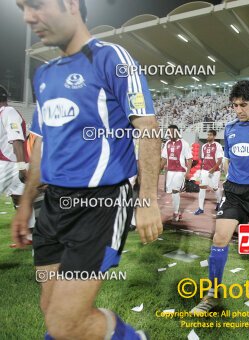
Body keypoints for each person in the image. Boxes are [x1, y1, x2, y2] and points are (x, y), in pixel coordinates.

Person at [11, 1, 162, 339]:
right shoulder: (45, 74)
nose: (27, 16)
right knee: (51, 312)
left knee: (64, 322)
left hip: (102, 203)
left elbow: (149, 127)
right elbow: (43, 146)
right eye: (21, 7)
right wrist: (24, 205)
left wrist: (148, 199)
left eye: (34, 4)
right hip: (52, 205)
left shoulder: (112, 58)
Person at [190, 80, 249, 314]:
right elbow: (229, 158)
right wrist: (222, 173)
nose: (238, 110)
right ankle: (212, 295)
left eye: (243, 105)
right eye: (234, 105)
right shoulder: (231, 128)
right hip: (233, 191)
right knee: (220, 238)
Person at [0, 86, 36, 245]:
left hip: (12, 164)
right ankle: (28, 233)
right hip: (8, 163)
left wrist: (21, 166)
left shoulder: (9, 112)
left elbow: (17, 140)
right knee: (19, 197)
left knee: (22, 196)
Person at [160, 125, 192, 222]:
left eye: (171, 132)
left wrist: (188, 172)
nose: (169, 134)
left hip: (180, 171)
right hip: (170, 171)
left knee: (175, 191)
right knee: (170, 192)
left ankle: (175, 212)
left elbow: (189, 159)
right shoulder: (167, 144)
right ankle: (176, 210)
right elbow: (164, 158)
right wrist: (159, 168)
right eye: (168, 132)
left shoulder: (184, 143)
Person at [194, 129, 223, 215]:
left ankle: (219, 202)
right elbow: (203, 159)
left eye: (210, 135)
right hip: (205, 171)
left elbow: (220, 159)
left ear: (214, 136)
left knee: (215, 188)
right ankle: (200, 208)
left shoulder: (218, 146)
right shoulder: (204, 146)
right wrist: (201, 170)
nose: (208, 136)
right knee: (202, 187)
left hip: (215, 171)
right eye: (208, 135)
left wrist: (214, 168)